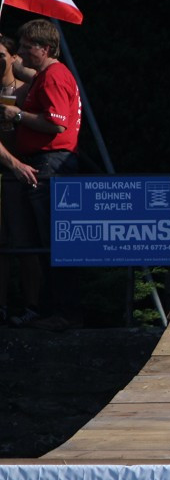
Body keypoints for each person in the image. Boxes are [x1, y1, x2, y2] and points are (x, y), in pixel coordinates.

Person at [0, 19, 82, 331]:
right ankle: (52, 311)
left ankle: (64, 312)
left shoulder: (54, 77)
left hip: (51, 164)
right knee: (47, 242)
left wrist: (17, 115)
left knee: (54, 241)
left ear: (44, 48)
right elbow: (22, 73)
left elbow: (57, 123)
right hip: (48, 162)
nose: (19, 52)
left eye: (25, 47)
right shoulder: (46, 76)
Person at [0, 34, 39, 325]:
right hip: (10, 172)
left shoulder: (29, 89)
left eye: (1, 54)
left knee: (25, 244)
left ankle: (32, 307)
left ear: (14, 57)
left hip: (22, 176)